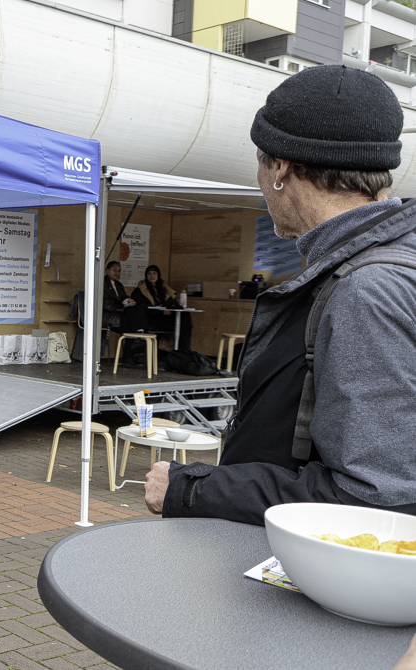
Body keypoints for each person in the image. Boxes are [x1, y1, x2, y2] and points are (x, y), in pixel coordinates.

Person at [146, 64, 416, 525]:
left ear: (281, 167)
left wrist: (193, 489)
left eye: (259, 161)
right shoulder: (376, 266)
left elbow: (374, 501)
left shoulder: (365, 291)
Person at [131, 264, 192, 351]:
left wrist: (171, 311)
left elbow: (174, 304)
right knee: (181, 324)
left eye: (154, 273)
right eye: (149, 274)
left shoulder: (164, 289)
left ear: (158, 275)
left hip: (165, 317)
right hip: (151, 319)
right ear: (146, 276)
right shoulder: (140, 291)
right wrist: (161, 312)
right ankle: (182, 349)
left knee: (185, 316)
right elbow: (141, 309)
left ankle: (184, 349)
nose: (152, 276)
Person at [102, 261, 147, 333]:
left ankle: (141, 331)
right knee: (129, 322)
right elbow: (106, 305)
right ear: (107, 271)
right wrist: (123, 307)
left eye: (119, 271)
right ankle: (136, 337)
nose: (117, 273)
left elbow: (123, 297)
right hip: (107, 313)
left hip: (119, 311)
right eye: (114, 270)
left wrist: (128, 301)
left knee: (138, 307)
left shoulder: (118, 284)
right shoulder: (102, 283)